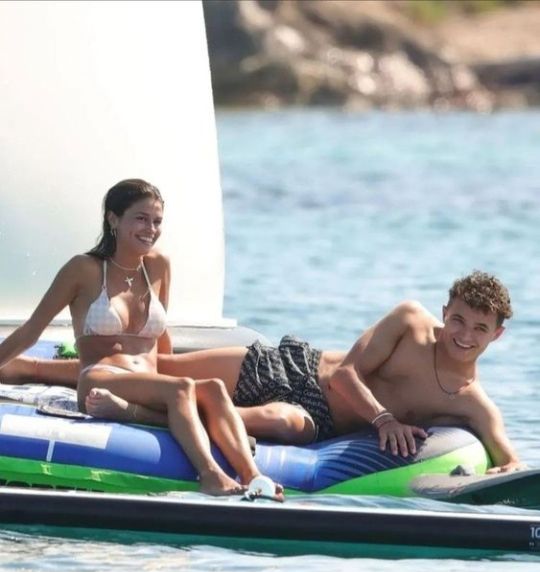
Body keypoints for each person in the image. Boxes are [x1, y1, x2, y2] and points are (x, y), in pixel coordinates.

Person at [1, 271, 524, 473]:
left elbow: (509, 460)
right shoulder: (411, 322)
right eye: (458, 319)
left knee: (277, 422)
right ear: (446, 309)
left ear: (496, 336)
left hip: (317, 417)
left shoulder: (472, 403)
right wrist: (385, 420)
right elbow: (346, 376)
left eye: (479, 328)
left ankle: (134, 411)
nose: (463, 334)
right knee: (158, 366)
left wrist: (503, 469)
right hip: (298, 367)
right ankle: (27, 368)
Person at [0, 178, 282, 498]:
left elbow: (161, 335)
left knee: (214, 389)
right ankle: (211, 474)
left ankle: (255, 477)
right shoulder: (84, 269)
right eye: (141, 219)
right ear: (113, 219)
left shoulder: (158, 266)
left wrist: (171, 378)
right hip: (100, 377)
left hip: (148, 381)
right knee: (182, 388)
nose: (151, 229)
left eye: (157, 221)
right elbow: (32, 330)